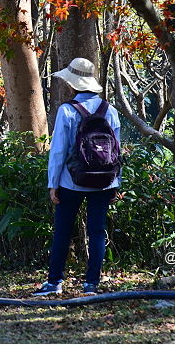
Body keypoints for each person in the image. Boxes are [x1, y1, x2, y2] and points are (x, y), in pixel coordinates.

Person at [34, 57, 121, 297]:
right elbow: (116, 150)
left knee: (62, 232)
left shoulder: (67, 110)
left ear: (72, 83)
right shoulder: (110, 110)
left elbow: (58, 150)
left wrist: (53, 183)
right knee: (97, 232)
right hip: (104, 182)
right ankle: (91, 283)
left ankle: (54, 282)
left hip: (70, 181)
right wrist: (116, 182)